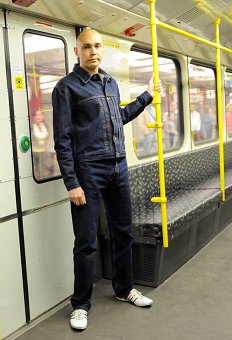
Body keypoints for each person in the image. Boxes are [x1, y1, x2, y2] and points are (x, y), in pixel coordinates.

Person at [52, 28, 161, 330]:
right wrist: (71, 182)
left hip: (118, 167)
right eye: (86, 47)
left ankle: (125, 289)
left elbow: (119, 117)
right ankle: (80, 305)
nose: (93, 52)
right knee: (86, 241)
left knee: (123, 232)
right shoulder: (66, 88)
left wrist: (146, 97)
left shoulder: (111, 83)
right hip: (87, 171)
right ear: (77, 52)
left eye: (97, 46)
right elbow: (62, 140)